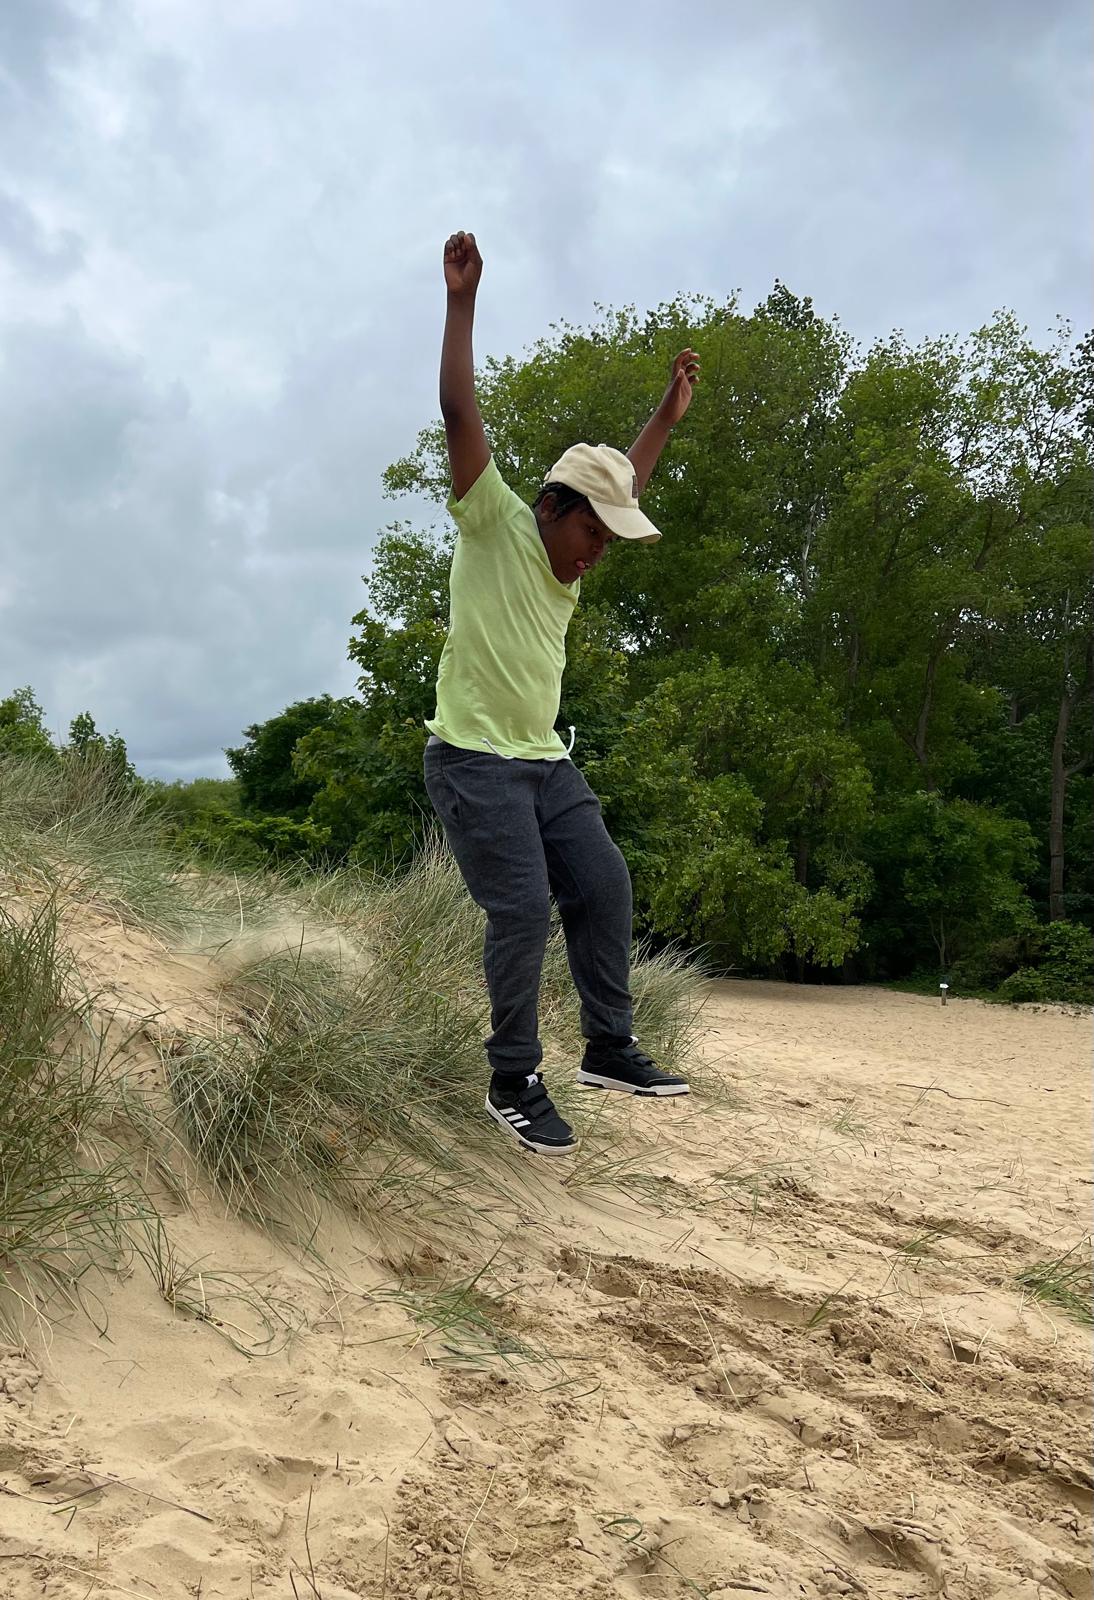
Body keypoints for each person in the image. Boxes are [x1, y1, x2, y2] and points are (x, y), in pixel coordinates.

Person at [423, 230, 700, 1156]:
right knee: (522, 908)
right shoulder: (495, 518)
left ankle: (609, 1047)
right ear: (550, 508)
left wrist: (665, 415)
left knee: (604, 883)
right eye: (593, 533)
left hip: (544, 762)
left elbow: (626, 479)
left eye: (609, 540)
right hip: (473, 759)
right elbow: (458, 409)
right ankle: (512, 1079)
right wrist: (462, 302)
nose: (598, 552)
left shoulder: (571, 557)